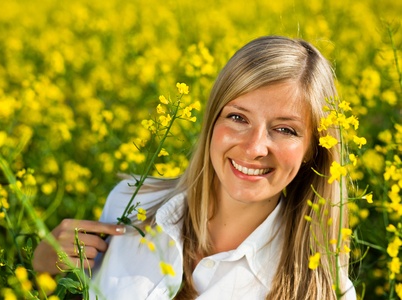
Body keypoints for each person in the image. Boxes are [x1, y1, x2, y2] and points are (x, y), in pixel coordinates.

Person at [33, 35, 357, 299]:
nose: (255, 148)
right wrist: (44, 267)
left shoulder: (325, 290)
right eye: (238, 117)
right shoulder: (130, 203)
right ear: (212, 121)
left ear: (314, 149)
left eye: (285, 129)